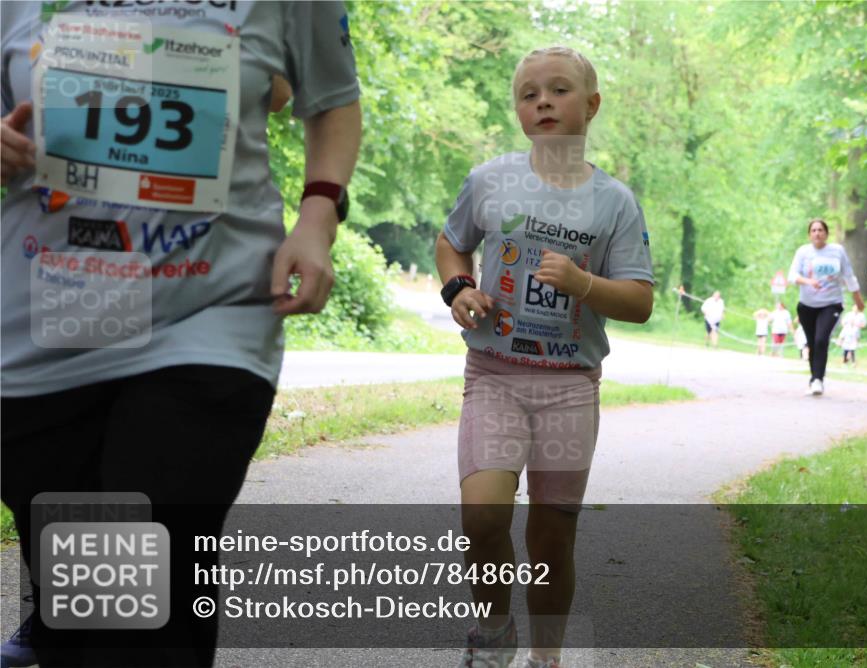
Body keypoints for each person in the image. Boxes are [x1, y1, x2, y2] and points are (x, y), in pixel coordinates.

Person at [1, 3, 362, 666]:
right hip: (49, 323)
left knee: (146, 588)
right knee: (91, 601)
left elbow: (333, 99)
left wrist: (318, 218)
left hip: (211, 311)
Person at [435, 46, 654, 668]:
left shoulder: (615, 202)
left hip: (568, 387)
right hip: (495, 378)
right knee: (482, 517)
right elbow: (452, 244)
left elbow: (639, 301)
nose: (543, 102)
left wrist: (584, 285)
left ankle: (547, 656)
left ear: (591, 104)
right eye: (529, 94)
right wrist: (458, 288)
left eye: (558, 90)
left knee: (552, 538)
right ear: (518, 110)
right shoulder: (490, 180)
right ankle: (494, 632)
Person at [788, 219, 865, 395]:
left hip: (831, 303)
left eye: (821, 230)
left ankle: (817, 380)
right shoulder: (803, 252)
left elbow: (849, 275)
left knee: (822, 339)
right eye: (814, 230)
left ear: (826, 233)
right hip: (807, 305)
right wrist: (808, 281)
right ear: (809, 234)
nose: (817, 233)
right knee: (812, 342)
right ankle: (814, 377)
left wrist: (857, 299)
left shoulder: (837, 251)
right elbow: (792, 275)